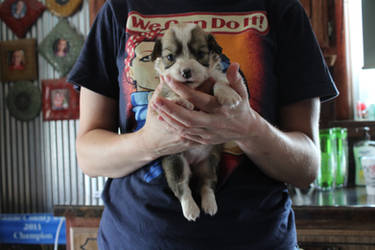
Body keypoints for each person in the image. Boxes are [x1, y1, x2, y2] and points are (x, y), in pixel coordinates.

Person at [67, 0, 339, 249]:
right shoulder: (120, 8)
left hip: (257, 239)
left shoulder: (280, 8)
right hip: (135, 238)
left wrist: (248, 129)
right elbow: (88, 156)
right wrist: (150, 142)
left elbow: (307, 167)